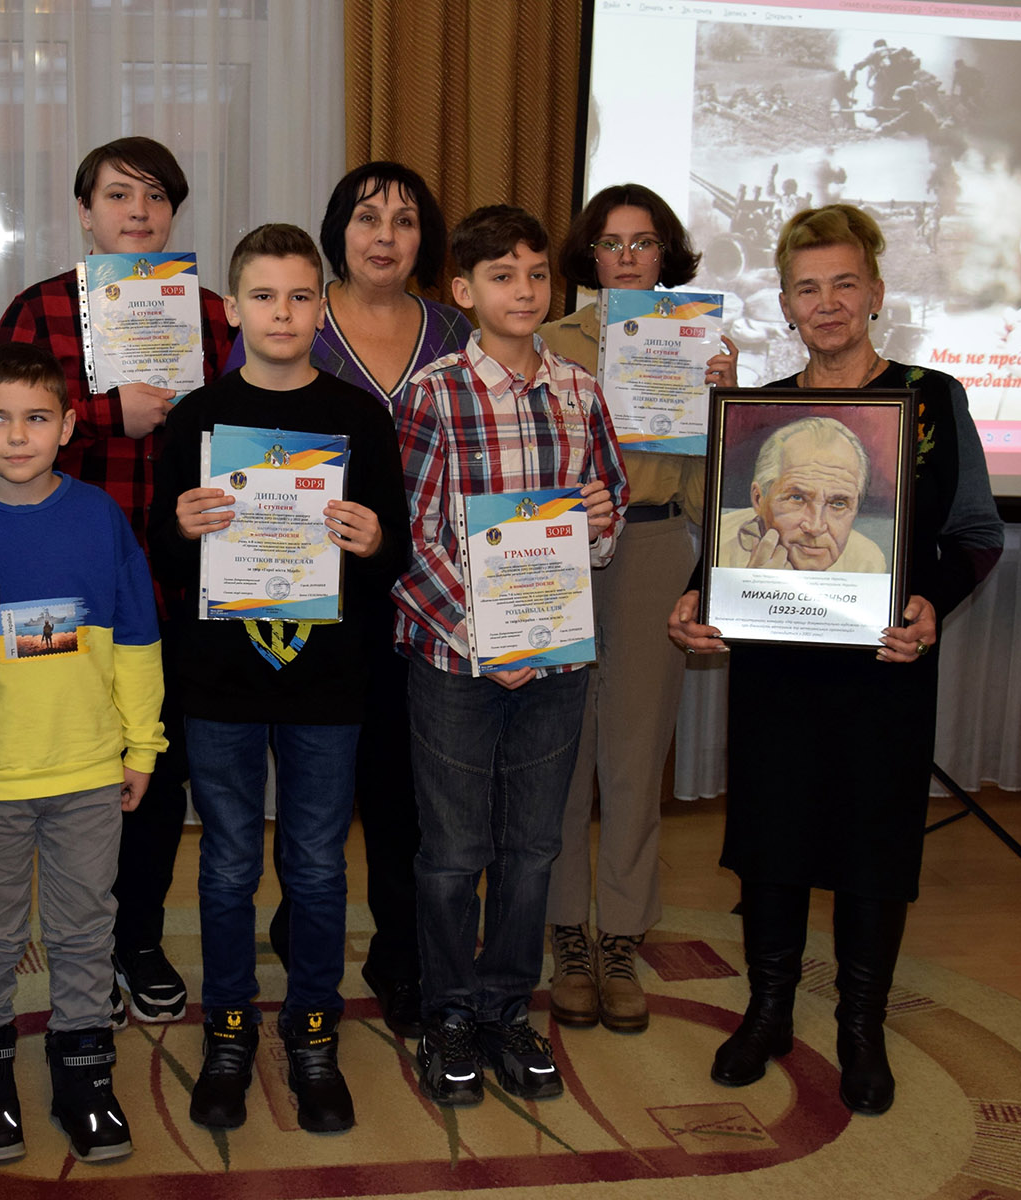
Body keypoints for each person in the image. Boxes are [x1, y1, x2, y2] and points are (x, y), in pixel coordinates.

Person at [668, 204, 1004, 1116]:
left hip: (885, 669)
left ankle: (862, 1026)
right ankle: (769, 1010)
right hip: (776, 673)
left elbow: (976, 533)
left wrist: (933, 604)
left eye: (844, 284)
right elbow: (734, 537)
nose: (827, 304)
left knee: (873, 845)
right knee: (770, 838)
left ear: (877, 293)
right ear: (784, 304)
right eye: (808, 288)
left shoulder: (932, 399)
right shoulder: (762, 409)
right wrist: (697, 599)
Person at [148, 224, 408, 1134]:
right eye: (263, 296)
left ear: (321, 309)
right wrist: (181, 526)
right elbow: (163, 553)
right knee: (226, 865)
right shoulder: (196, 418)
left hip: (327, 684)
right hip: (220, 680)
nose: (283, 313)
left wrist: (372, 541)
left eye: (301, 296)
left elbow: (394, 550)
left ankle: (313, 1030)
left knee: (316, 866)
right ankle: (227, 1028)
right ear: (232, 308)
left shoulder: (359, 418)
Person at [0, 136, 237, 1025]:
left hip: (177, 591)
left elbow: (247, 429)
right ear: (85, 213)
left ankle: (135, 938)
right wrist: (106, 414)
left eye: (156, 197)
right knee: (66, 771)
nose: (139, 211)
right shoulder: (39, 309)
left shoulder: (211, 315)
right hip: (63, 592)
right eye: (118, 195)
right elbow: (4, 431)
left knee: (155, 773)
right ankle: (74, 944)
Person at [394, 206, 627, 1106]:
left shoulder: (581, 392)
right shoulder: (433, 394)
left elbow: (603, 521)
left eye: (536, 274)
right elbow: (411, 542)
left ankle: (504, 1009)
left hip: (556, 665)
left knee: (533, 848)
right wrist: (486, 638)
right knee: (455, 851)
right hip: (458, 665)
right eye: (501, 276)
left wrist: (599, 523)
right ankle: (449, 1012)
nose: (523, 291)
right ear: (463, 291)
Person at [244, 161, 470, 1038]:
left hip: (428, 591)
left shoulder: (456, 330)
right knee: (314, 780)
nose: (385, 235)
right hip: (307, 591)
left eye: (405, 220)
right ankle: (303, 918)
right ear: (337, 229)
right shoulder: (298, 317)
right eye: (368, 217)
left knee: (404, 787)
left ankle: (399, 955)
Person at [0, 343, 165, 1165]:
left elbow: (137, 637)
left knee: (83, 929)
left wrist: (143, 745)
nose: (18, 435)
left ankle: (84, 1077)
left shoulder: (100, 517)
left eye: (36, 418)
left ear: (67, 426)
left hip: (87, 771)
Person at [537, 184, 736, 1036]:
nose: (626, 257)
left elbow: (715, 488)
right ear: (589, 255)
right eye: (611, 243)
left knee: (633, 753)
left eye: (643, 242)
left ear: (666, 255)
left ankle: (620, 936)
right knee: (559, 754)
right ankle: (565, 934)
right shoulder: (548, 341)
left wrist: (727, 403)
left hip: (654, 549)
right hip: (559, 550)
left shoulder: (698, 344)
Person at [716, 416, 887, 572]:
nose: (815, 527)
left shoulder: (867, 562)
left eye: (838, 504)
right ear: (759, 500)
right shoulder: (717, 543)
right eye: (797, 498)